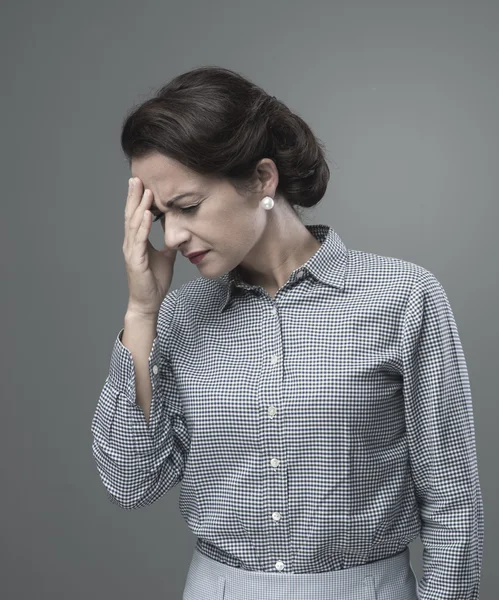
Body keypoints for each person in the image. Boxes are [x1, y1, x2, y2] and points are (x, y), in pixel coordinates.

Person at [91, 66, 483, 600]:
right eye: (161, 217)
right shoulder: (178, 317)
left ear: (263, 179)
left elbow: (453, 501)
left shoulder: (402, 298)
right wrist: (141, 313)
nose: (175, 236)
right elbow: (130, 484)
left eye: (188, 207)